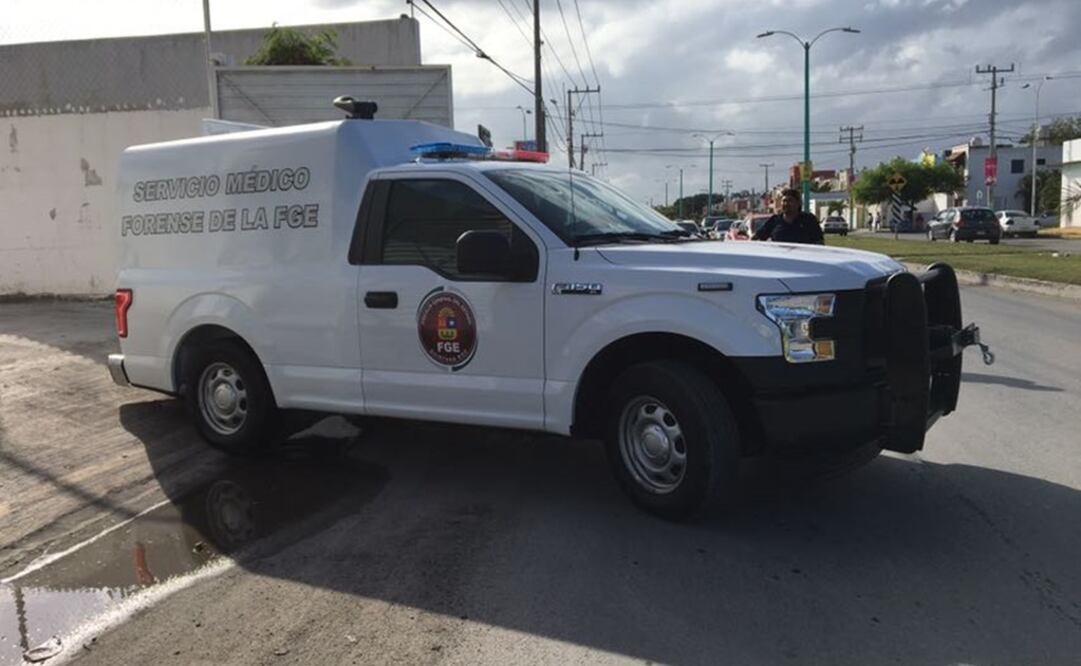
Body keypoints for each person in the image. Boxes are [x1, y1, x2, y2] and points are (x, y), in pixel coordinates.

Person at [752, 188, 824, 244]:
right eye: (784, 201)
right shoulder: (774, 220)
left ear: (798, 203)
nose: (786, 204)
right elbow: (757, 238)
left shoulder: (809, 220)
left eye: (790, 200)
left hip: (803, 260)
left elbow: (819, 242)